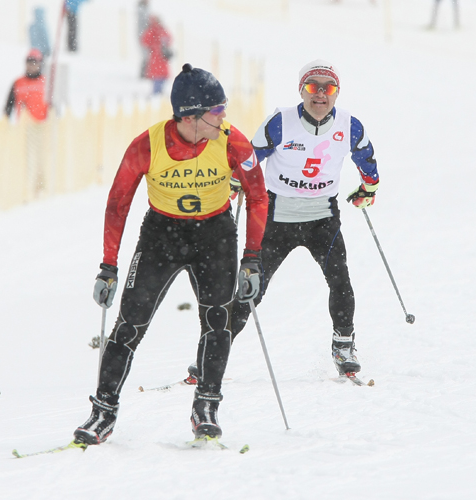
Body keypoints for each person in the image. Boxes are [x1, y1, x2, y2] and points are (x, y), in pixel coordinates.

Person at [73, 64, 269, 445]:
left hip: (215, 234)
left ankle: (207, 406)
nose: (224, 117)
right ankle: (103, 413)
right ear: (190, 116)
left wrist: (252, 259)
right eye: (217, 111)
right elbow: (118, 203)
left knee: (218, 321)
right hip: (162, 235)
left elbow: (258, 196)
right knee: (129, 324)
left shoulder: (233, 141)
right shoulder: (147, 145)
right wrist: (108, 266)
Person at [186, 59, 379, 382]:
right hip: (277, 219)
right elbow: (250, 156)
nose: (320, 95)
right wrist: (235, 182)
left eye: (327, 88)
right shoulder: (281, 121)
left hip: (322, 218)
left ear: (337, 93)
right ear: (301, 90)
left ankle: (344, 345)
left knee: (340, 280)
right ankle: (213, 353)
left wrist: (368, 188)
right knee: (250, 289)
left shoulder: (349, 125)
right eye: (312, 87)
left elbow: (366, 157)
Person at [4, 49, 49, 121]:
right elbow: (9, 106)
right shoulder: (18, 82)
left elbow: (53, 106)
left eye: (34, 62)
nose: (31, 66)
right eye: (29, 62)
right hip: (24, 127)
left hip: (44, 127)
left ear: (40, 64)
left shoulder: (46, 82)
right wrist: (5, 121)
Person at [140, 15, 173, 95]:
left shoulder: (151, 31)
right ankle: (158, 93)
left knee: (157, 78)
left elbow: (144, 41)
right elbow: (168, 39)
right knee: (161, 77)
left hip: (155, 57)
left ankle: (157, 93)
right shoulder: (162, 30)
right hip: (161, 58)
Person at [137, 0, 151, 78]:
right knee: (146, 55)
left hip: (145, 36)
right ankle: (144, 74)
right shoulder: (142, 10)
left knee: (147, 56)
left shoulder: (144, 9)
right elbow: (144, 23)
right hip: (144, 36)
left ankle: (145, 73)